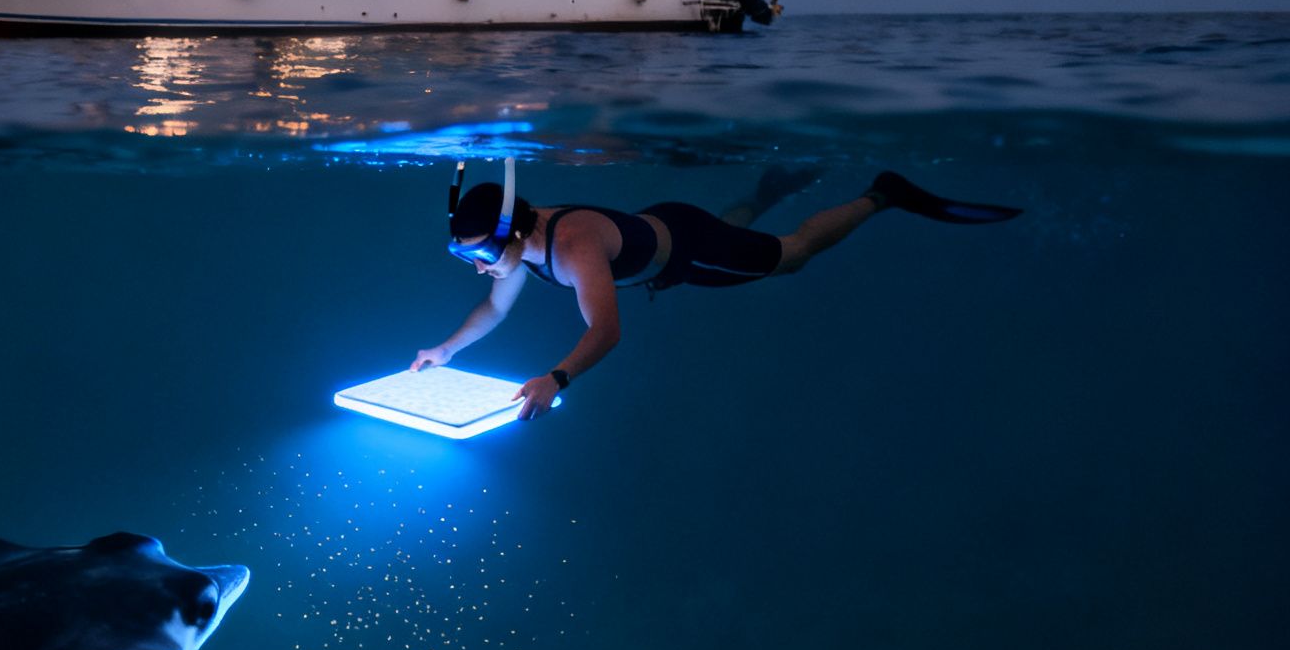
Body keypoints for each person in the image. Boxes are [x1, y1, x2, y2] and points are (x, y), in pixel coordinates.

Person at [412, 161, 1022, 421]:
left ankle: (883, 193)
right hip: (658, 236)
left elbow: (607, 330)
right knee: (731, 225)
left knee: (793, 255)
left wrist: (557, 378)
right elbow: (494, 308)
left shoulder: (570, 247)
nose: (479, 267)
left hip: (688, 249)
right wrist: (446, 350)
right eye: (465, 256)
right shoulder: (520, 240)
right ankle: (766, 189)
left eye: (483, 254)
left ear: (511, 232)